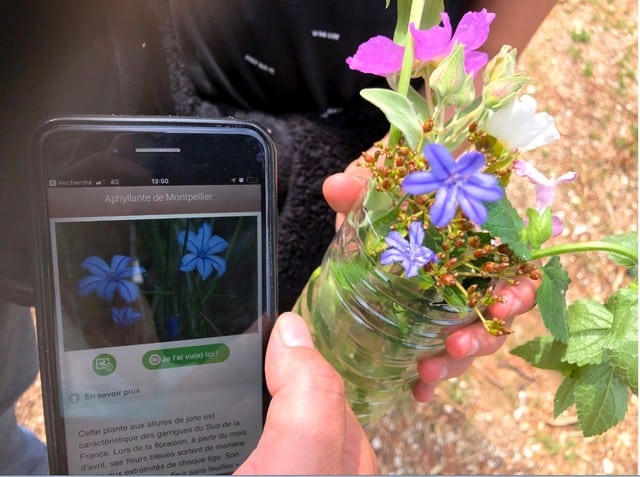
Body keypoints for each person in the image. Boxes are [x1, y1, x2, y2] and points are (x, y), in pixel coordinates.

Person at [0, 1, 555, 474]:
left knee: (216, 389)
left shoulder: (411, 153)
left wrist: (437, 140)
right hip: (162, 82)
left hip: (350, 142)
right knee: (105, 383)